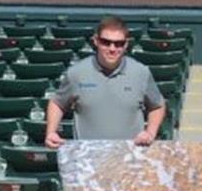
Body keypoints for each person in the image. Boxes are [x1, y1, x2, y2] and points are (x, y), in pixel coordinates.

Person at [44, 15, 165, 147]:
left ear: (126, 44)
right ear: (96, 41)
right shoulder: (76, 73)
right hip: (88, 158)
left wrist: (150, 133)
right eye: (106, 42)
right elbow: (57, 103)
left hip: (130, 157)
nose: (112, 49)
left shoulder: (141, 72)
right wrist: (51, 132)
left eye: (119, 43)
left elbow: (158, 105)